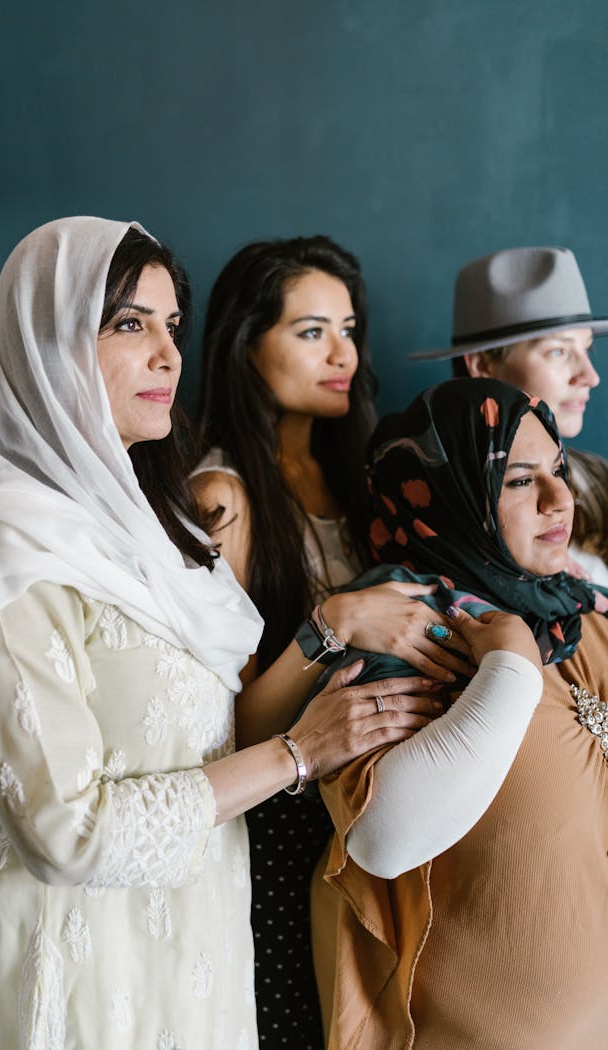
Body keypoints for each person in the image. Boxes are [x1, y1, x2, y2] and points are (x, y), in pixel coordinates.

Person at [0, 217, 445, 1050]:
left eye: (171, 327)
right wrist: (298, 755)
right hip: (92, 991)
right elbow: (67, 830)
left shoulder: (149, 539)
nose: (167, 355)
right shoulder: (0, 554)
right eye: (130, 323)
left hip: (200, 965)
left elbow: (202, 736)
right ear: (45, 344)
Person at [192, 236, 472, 1048]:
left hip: (391, 810)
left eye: (349, 329)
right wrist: (334, 626)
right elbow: (227, 731)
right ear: (247, 346)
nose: (343, 354)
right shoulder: (223, 497)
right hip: (285, 833)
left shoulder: (365, 476)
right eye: (312, 332)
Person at [310, 377, 608, 1049]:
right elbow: (383, 840)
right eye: (520, 481)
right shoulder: (409, 635)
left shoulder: (579, 615)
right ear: (452, 502)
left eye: (558, 471)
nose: (562, 499)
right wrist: (508, 670)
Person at [411, 245, 608, 582]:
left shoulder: (597, 478)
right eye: (558, 351)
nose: (590, 376)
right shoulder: (427, 501)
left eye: (586, 349)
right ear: (483, 365)